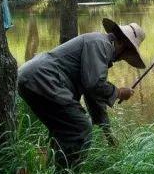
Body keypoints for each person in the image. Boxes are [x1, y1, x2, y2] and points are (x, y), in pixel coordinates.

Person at [17, 18, 146, 170]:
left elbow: (93, 96)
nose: (123, 59)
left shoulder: (100, 47)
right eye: (127, 55)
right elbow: (94, 85)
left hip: (32, 77)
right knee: (80, 127)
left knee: (64, 129)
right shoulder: (100, 44)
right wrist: (118, 92)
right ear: (124, 45)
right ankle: (67, 171)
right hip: (43, 77)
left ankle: (53, 169)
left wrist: (108, 133)